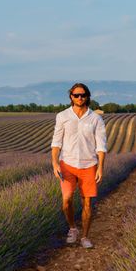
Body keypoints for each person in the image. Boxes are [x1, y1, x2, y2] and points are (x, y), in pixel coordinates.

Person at [50, 82, 107, 248]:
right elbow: (56, 142)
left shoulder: (96, 118)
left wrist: (101, 167)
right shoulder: (62, 116)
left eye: (83, 95)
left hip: (89, 165)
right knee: (66, 201)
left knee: (87, 203)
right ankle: (72, 228)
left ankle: (85, 237)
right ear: (71, 97)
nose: (80, 98)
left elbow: (101, 145)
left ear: (87, 96)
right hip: (67, 164)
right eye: (76, 95)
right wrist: (54, 163)